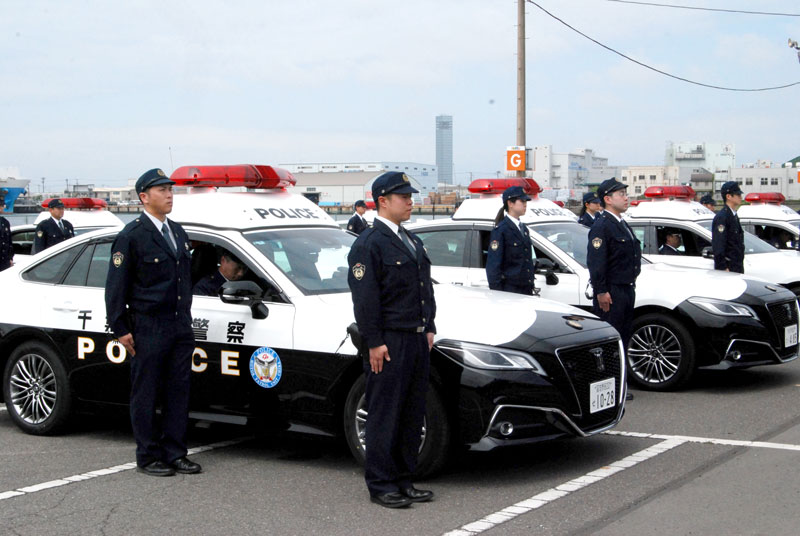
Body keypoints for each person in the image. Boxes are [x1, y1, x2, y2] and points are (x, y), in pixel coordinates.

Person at [347, 171, 436, 509]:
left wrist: (430, 326)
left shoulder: (411, 240)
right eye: (403, 196)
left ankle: (404, 479)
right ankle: (382, 484)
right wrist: (373, 341)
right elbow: (365, 298)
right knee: (385, 413)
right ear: (383, 201)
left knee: (412, 413)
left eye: (410, 195)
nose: (410, 201)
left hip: (416, 338)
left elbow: (424, 288)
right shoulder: (369, 244)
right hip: (389, 341)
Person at [105, 168, 201, 477]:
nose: (170, 194)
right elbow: (116, 286)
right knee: (146, 392)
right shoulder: (132, 236)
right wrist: (120, 328)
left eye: (171, 189)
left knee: (178, 391)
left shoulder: (177, 231)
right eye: (162, 190)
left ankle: (175, 452)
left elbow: (185, 278)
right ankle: (147, 455)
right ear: (144, 197)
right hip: (149, 325)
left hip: (179, 325)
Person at [587, 178, 640, 401]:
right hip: (612, 291)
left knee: (624, 337)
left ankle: (621, 384)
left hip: (626, 288)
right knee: (611, 340)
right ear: (608, 199)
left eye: (626, 193)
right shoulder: (602, 226)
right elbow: (596, 262)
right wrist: (601, 291)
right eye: (621, 194)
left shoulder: (620, 222)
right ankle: (611, 387)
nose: (626, 197)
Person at [485, 186, 535, 295]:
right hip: (510, 291)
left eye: (526, 201)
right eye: (522, 201)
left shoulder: (523, 229)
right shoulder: (501, 230)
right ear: (510, 203)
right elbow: (493, 267)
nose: (525, 204)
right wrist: (498, 295)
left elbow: (527, 260)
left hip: (525, 289)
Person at [711, 181, 744, 274]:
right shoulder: (722, 217)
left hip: (736, 266)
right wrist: (723, 268)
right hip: (728, 268)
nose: (740, 197)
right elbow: (719, 244)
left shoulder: (733, 215)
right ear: (728, 196)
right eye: (737, 194)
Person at [0, 195, 13, 272]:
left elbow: (9, 242)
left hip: (4, 261)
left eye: (2, 206)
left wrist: (10, 258)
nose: (2, 207)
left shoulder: (5, 222)